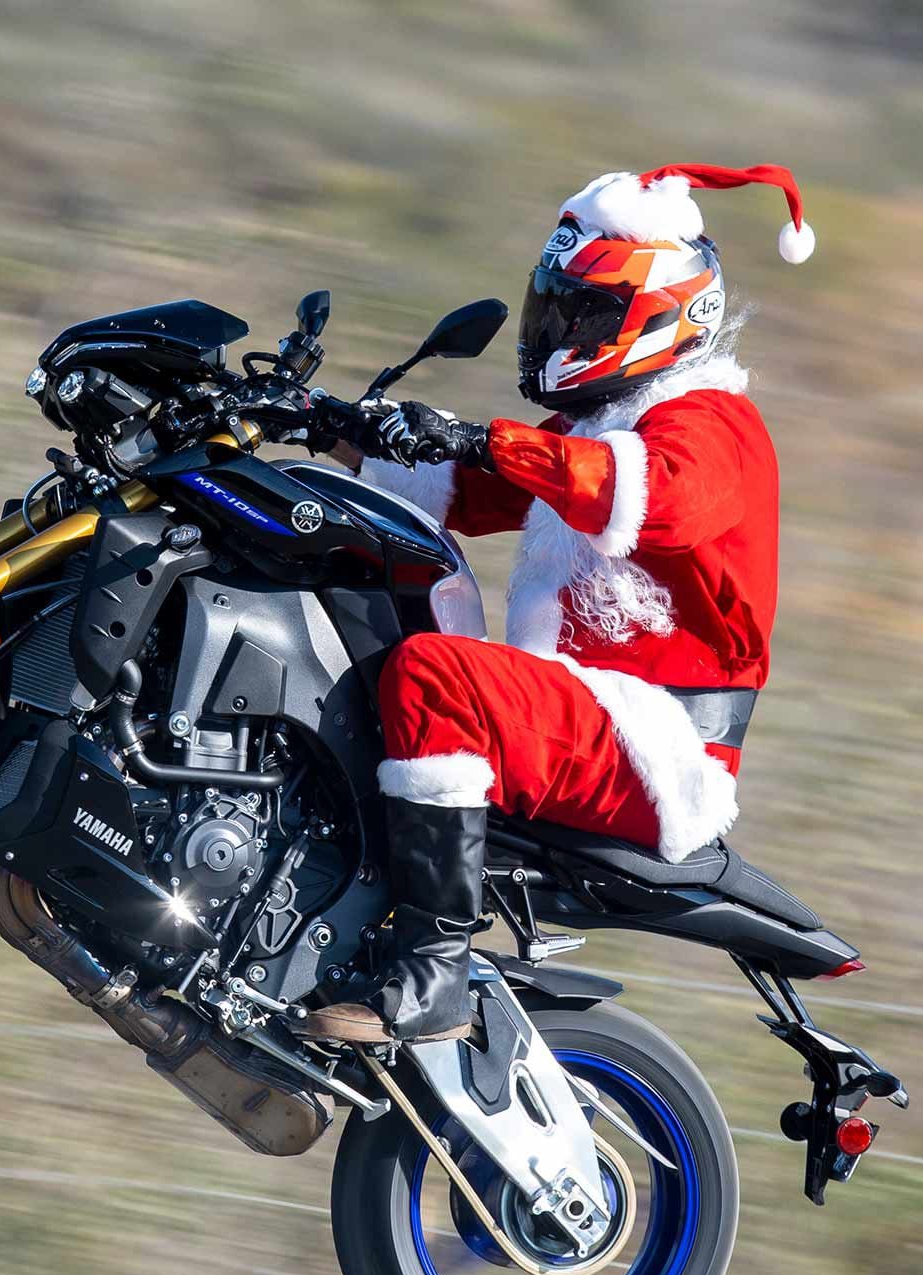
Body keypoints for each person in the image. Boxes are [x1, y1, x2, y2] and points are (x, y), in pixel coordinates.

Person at [296, 162, 817, 1045]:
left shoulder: (711, 424)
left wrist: (479, 437)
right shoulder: (597, 430)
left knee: (436, 677)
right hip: (583, 716)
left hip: (655, 746)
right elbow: (462, 491)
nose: (559, 330)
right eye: (556, 308)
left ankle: (434, 971)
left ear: (660, 315)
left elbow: (654, 495)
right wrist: (319, 420)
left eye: (585, 315)